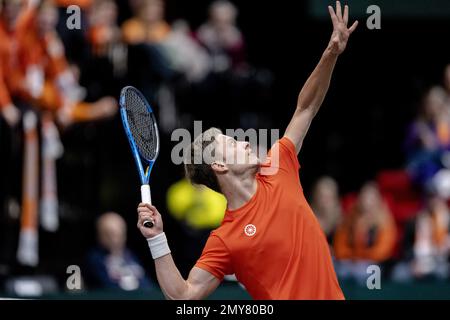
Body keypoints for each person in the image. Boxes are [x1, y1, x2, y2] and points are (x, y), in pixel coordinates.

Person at [137, 1, 358, 300]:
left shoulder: (278, 168)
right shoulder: (225, 240)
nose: (243, 142)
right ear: (219, 166)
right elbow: (183, 296)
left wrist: (330, 54)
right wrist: (157, 239)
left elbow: (306, 107)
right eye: (231, 144)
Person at [333, 182, 397, 282]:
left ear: (377, 201)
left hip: (374, 264)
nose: (367, 203)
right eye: (364, 198)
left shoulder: (385, 221)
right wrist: (352, 257)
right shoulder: (350, 218)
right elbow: (340, 247)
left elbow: (382, 252)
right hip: (350, 262)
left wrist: (360, 256)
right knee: (338, 270)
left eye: (371, 199)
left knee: (365, 272)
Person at [85, 212, 153, 291]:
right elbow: (107, 287)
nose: (115, 239)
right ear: (100, 235)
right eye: (110, 234)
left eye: (120, 233)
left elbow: (147, 285)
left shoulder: (131, 255)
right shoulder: (95, 259)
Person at [310, 176, 342, 244]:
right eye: (322, 196)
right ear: (315, 196)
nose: (324, 201)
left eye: (328, 197)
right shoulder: (308, 218)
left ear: (335, 199)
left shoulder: (340, 223)